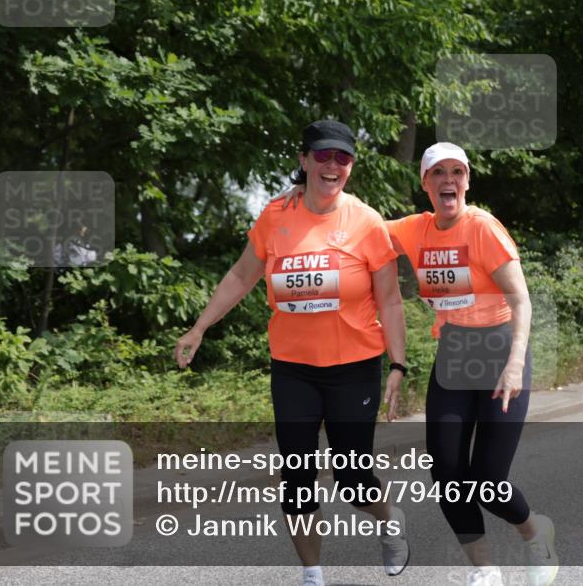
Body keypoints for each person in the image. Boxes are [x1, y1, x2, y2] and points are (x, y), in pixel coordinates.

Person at [284, 142, 559, 586]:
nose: (448, 180)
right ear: (425, 183)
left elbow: (520, 299)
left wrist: (515, 362)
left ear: (467, 181)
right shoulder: (414, 229)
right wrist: (297, 197)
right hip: (453, 353)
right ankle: (486, 571)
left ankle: (533, 531)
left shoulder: (483, 228)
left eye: (457, 172)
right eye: (437, 173)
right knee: (448, 474)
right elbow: (356, 223)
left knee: (488, 479)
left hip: (498, 351)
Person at [175, 120, 410, 586]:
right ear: (303, 161)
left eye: (342, 158)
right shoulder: (276, 216)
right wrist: (200, 326)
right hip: (293, 370)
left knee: (352, 477)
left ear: (351, 167)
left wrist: (398, 363)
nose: (332, 166)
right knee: (297, 475)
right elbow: (242, 276)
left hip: (354, 368)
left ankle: (388, 522)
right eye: (323, 156)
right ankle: (313, 573)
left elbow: (390, 300)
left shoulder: (366, 221)